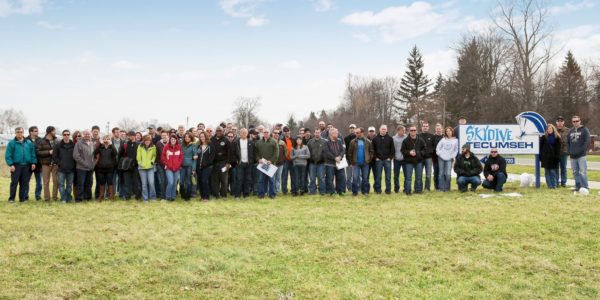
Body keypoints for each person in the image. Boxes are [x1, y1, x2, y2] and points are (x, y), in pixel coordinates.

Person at [5, 127, 37, 203]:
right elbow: (8, 155)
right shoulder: (11, 143)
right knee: (14, 182)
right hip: (16, 166)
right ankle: (11, 198)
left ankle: (22, 199)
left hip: (26, 166)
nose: (20, 133)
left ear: (23, 133)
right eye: (18, 132)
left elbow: (33, 154)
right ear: (15, 133)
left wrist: (33, 163)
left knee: (24, 183)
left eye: (21, 132)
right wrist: (11, 164)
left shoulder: (29, 143)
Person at [347, 127, 374, 196]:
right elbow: (349, 153)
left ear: (362, 133)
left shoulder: (368, 141)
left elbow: (371, 151)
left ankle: (365, 192)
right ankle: (354, 192)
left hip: (365, 163)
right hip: (356, 163)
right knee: (355, 178)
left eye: (357, 133)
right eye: (356, 132)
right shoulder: (353, 142)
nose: (356, 134)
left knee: (365, 179)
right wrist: (351, 162)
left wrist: (369, 159)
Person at [567, 115, 591, 191]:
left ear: (580, 121)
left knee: (583, 172)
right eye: (574, 121)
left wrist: (581, 150)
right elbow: (567, 142)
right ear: (572, 122)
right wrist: (569, 151)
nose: (575, 123)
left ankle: (585, 187)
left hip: (581, 156)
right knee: (575, 172)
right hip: (572, 156)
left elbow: (587, 142)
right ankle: (578, 187)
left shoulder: (584, 130)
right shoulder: (570, 131)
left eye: (577, 121)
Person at [401, 125, 426, 195]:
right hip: (409, 162)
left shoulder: (420, 140)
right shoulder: (405, 140)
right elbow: (402, 150)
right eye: (411, 130)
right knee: (408, 178)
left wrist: (418, 153)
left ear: (416, 131)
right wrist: (409, 152)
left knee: (418, 177)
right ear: (409, 131)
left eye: (414, 130)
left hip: (418, 161)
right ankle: (408, 191)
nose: (413, 132)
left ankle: (418, 190)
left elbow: (424, 149)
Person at [36, 126, 59, 201]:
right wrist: (48, 152)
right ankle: (47, 198)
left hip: (55, 164)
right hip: (45, 164)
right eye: (54, 131)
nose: (55, 132)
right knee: (46, 182)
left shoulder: (57, 140)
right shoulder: (41, 141)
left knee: (56, 181)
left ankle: (55, 197)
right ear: (50, 132)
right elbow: (37, 152)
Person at [255, 128, 279, 199]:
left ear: (269, 133)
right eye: (264, 132)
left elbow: (276, 153)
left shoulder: (274, 142)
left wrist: (271, 161)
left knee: (271, 180)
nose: (265, 133)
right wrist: (258, 159)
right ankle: (261, 195)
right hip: (262, 165)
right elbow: (256, 153)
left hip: (270, 165)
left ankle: (272, 195)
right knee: (260, 180)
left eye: (267, 132)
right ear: (262, 133)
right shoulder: (258, 142)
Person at [53, 129, 75, 202]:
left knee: (69, 185)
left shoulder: (74, 145)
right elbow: (54, 157)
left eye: (68, 134)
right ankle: (63, 198)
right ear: (63, 136)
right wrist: (60, 163)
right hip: (61, 169)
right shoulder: (58, 145)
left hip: (71, 169)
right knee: (61, 185)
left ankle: (68, 198)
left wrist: (73, 165)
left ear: (70, 135)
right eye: (65, 134)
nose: (66, 136)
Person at [93, 135, 118, 201]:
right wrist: (100, 144)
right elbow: (94, 153)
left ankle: (111, 197)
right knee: (101, 182)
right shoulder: (101, 147)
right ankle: (101, 196)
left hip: (110, 168)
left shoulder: (111, 147)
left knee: (110, 182)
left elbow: (116, 153)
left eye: (107, 139)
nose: (106, 140)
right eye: (104, 139)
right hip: (101, 168)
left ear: (109, 140)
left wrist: (111, 145)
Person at [372, 125, 395, 195]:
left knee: (388, 176)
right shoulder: (375, 139)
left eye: (385, 129)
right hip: (378, 160)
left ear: (386, 130)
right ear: (379, 130)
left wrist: (390, 158)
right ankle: (378, 190)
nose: (383, 130)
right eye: (382, 129)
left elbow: (392, 150)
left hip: (387, 160)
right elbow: (373, 150)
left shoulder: (390, 138)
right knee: (378, 176)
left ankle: (388, 190)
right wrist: (376, 158)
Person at [73, 130, 95, 202]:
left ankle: (88, 197)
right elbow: (76, 156)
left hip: (90, 168)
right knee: (81, 183)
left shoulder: (92, 143)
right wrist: (85, 164)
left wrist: (93, 164)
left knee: (89, 183)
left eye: (88, 134)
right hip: (81, 168)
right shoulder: (78, 144)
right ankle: (79, 198)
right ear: (83, 135)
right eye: (86, 134)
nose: (87, 135)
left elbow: (93, 155)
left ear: (90, 135)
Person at [323, 128, 346, 196]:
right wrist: (334, 158)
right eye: (336, 133)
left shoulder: (339, 141)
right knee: (330, 178)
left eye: (337, 132)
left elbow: (343, 150)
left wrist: (340, 157)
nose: (337, 134)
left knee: (341, 177)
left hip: (339, 163)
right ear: (331, 134)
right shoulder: (326, 142)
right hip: (330, 164)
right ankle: (332, 192)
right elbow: (326, 152)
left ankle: (340, 191)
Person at [232, 128, 254, 199]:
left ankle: (246, 195)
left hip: (248, 163)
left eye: (245, 133)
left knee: (247, 179)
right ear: (240, 133)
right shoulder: (236, 142)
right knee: (239, 179)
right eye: (242, 133)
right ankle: (237, 195)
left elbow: (253, 153)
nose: (244, 134)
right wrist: (236, 160)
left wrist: (251, 161)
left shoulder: (251, 142)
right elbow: (233, 153)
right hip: (240, 163)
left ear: (247, 134)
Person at [211, 127, 232, 199]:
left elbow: (229, 153)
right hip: (214, 163)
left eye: (220, 131)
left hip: (224, 163)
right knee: (215, 180)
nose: (219, 132)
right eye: (217, 131)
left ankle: (224, 195)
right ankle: (216, 195)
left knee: (224, 180)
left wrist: (228, 163)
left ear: (223, 131)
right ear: (215, 131)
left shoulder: (226, 140)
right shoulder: (212, 140)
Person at [435, 127, 459, 192]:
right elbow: (438, 147)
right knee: (441, 173)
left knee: (448, 174)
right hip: (441, 158)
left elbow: (456, 150)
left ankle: (447, 188)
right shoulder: (443, 139)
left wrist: (452, 156)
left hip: (449, 159)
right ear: (445, 132)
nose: (448, 132)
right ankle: (441, 188)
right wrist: (439, 154)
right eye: (447, 131)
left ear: (452, 132)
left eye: (450, 131)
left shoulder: (456, 140)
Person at [161, 134, 183, 201]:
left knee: (175, 183)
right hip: (168, 168)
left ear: (176, 140)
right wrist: (167, 164)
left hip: (177, 168)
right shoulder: (166, 147)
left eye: (174, 139)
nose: (173, 140)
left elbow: (181, 157)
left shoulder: (179, 147)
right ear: (169, 140)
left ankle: (173, 197)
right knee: (170, 182)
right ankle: (168, 197)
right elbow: (163, 158)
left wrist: (178, 165)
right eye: (171, 139)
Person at [120, 131, 141, 200]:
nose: (130, 137)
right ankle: (127, 196)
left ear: (134, 136)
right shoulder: (124, 144)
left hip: (136, 166)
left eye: (131, 135)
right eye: (129, 136)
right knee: (127, 182)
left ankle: (137, 196)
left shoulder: (139, 144)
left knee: (136, 182)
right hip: (126, 166)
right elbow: (120, 155)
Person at [540, 124, 561, 189]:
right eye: (548, 129)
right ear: (546, 130)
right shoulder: (544, 137)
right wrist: (541, 156)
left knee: (553, 172)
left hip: (554, 157)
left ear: (553, 129)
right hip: (546, 157)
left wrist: (557, 157)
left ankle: (554, 185)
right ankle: (549, 186)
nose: (549, 130)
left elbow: (558, 148)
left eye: (551, 129)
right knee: (547, 172)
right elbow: (541, 147)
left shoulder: (557, 137)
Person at [195, 131, 215, 201]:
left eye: (203, 136)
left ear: (206, 137)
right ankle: (202, 196)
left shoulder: (211, 146)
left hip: (207, 167)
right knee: (200, 181)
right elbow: (196, 155)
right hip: (199, 167)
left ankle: (206, 197)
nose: (202, 138)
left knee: (204, 180)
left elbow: (211, 158)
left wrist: (205, 164)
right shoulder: (198, 146)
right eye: (200, 137)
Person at [137, 135, 157, 201]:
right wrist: (140, 163)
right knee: (144, 184)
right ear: (144, 141)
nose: (147, 141)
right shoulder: (140, 146)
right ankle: (145, 198)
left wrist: (152, 161)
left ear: (150, 141)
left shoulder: (153, 147)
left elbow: (154, 156)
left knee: (151, 183)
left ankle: (153, 197)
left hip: (150, 167)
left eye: (148, 140)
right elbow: (138, 156)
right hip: (142, 168)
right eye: (146, 140)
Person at [307, 128, 326, 195]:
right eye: (316, 132)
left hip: (321, 163)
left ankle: (322, 191)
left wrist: (324, 159)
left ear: (320, 133)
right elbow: (307, 152)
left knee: (321, 178)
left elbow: (326, 152)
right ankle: (312, 191)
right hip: (312, 163)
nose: (317, 134)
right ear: (314, 133)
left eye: (318, 132)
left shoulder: (324, 141)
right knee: (312, 178)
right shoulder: (310, 142)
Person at [26, 126, 42, 200]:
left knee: (39, 182)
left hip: (39, 164)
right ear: (31, 132)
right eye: (35, 131)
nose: (37, 132)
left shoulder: (40, 140)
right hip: (28, 164)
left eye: (37, 131)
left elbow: (41, 150)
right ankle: (25, 195)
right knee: (26, 181)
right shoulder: (25, 140)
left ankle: (38, 196)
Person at [419, 122, 436, 192]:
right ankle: (419, 188)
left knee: (428, 174)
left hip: (428, 158)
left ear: (428, 127)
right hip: (420, 158)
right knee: (419, 174)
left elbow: (434, 146)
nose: (425, 127)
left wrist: (430, 152)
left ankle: (427, 188)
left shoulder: (432, 136)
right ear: (421, 127)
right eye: (424, 126)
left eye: (426, 126)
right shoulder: (418, 136)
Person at [180, 133, 198, 200]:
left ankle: (188, 195)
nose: (187, 138)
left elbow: (195, 158)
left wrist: (193, 169)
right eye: (186, 137)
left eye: (188, 137)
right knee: (181, 181)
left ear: (191, 138)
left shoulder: (193, 145)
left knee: (188, 181)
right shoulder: (181, 145)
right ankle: (182, 194)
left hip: (189, 166)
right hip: (182, 166)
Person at [280, 126, 296, 195]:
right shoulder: (282, 140)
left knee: (293, 176)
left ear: (290, 131)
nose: (287, 132)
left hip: (292, 160)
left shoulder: (294, 139)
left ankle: (293, 190)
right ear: (283, 132)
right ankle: (284, 191)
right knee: (284, 176)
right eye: (285, 131)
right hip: (285, 160)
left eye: (287, 131)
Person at [555, 116, 570, 188]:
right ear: (556, 122)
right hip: (555, 152)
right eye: (558, 121)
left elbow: (570, 141)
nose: (560, 123)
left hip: (564, 152)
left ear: (563, 122)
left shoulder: (568, 130)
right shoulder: (554, 130)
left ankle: (563, 182)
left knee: (563, 168)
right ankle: (556, 182)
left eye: (561, 121)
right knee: (556, 168)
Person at [154, 131, 168, 200]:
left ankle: (168, 195)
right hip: (161, 165)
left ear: (167, 135)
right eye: (162, 135)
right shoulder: (158, 143)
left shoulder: (170, 142)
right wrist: (158, 163)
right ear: (161, 136)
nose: (164, 136)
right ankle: (163, 196)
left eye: (165, 135)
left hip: (169, 165)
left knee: (168, 181)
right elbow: (157, 154)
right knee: (162, 181)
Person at [392, 125, 406, 194]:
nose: (403, 132)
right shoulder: (394, 138)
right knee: (396, 175)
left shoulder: (406, 137)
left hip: (405, 159)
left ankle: (406, 188)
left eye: (404, 130)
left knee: (406, 175)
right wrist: (393, 156)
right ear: (398, 131)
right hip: (396, 159)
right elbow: (392, 148)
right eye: (402, 130)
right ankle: (396, 189)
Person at [344, 124, 357, 192]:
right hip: (348, 159)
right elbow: (345, 150)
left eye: (353, 128)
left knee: (357, 175)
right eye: (351, 128)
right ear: (349, 129)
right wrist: (348, 159)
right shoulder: (346, 138)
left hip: (356, 160)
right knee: (349, 175)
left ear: (355, 129)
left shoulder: (358, 138)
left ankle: (357, 187)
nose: (352, 129)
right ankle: (349, 188)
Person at [432, 123, 444, 191]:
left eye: (439, 129)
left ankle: (442, 186)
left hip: (444, 158)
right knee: (436, 173)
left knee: (443, 173)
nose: (438, 130)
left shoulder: (444, 137)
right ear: (435, 130)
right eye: (437, 129)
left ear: (442, 129)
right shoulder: (433, 137)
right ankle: (436, 187)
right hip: (435, 159)